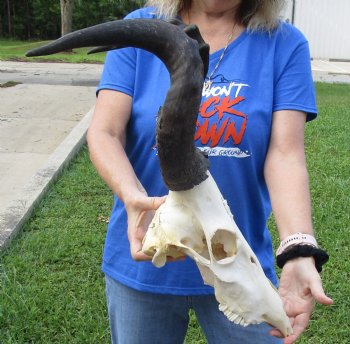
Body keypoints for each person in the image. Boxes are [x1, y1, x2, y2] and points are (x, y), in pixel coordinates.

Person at [86, 0, 333, 343]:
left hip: (235, 260)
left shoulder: (283, 43)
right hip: (145, 256)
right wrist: (132, 196)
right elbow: (105, 132)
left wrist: (299, 247)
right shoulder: (141, 28)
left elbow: (285, 154)